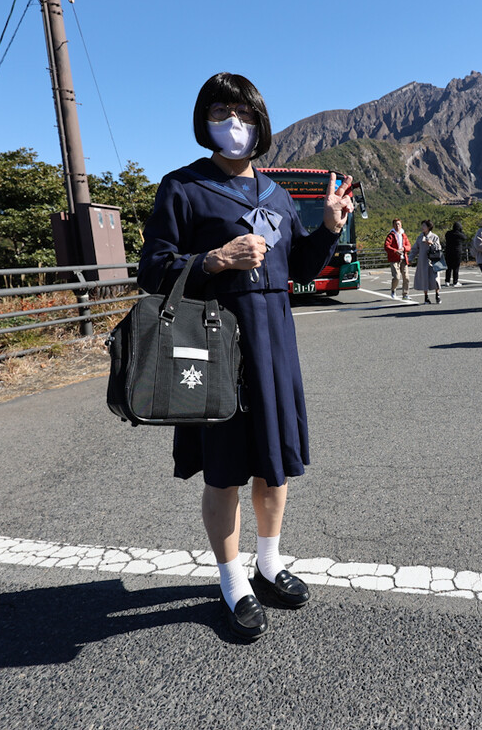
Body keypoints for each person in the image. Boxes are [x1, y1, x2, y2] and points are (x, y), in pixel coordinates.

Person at [139, 72, 355, 641]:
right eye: (220, 110)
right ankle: (232, 579)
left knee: (274, 460)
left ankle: (269, 562)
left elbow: (299, 272)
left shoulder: (277, 194)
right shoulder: (182, 187)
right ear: (204, 121)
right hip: (215, 349)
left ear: (260, 122)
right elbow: (152, 270)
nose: (233, 122)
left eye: (243, 112)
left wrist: (327, 231)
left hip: (275, 343)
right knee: (225, 469)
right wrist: (214, 259)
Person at [411, 219, 443, 304]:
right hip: (423, 261)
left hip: (433, 261)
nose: (422, 227)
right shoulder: (420, 237)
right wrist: (409, 258)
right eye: (422, 226)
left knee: (435, 278)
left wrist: (431, 243)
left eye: (424, 226)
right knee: (424, 279)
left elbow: (439, 247)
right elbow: (415, 249)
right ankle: (426, 297)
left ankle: (437, 294)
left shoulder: (435, 236)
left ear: (429, 227)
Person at [384, 218, 411, 300]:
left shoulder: (403, 235)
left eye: (398, 224)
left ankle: (405, 294)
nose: (397, 225)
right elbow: (386, 246)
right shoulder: (391, 235)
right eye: (395, 224)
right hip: (394, 259)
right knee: (396, 277)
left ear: (401, 225)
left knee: (406, 277)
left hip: (403, 258)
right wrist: (395, 251)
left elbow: (409, 246)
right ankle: (393, 290)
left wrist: (404, 248)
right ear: (393, 225)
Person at [443, 221, 466, 286]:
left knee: (448, 267)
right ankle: (455, 281)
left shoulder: (448, 233)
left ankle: (447, 281)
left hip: (448, 251)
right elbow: (465, 237)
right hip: (457, 252)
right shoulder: (459, 234)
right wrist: (461, 231)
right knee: (456, 267)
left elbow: (446, 236)